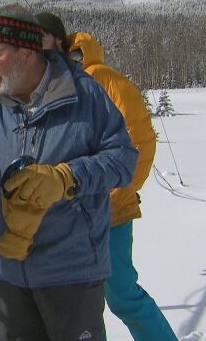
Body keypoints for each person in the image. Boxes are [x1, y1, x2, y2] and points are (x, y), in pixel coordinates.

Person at [0, 4, 139, 341]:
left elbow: (123, 160)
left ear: (26, 53)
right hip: (6, 271)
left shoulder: (85, 93)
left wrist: (67, 178)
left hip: (71, 271)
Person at [65, 31, 178, 341]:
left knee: (121, 294)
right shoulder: (70, 84)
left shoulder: (100, 78)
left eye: (72, 55)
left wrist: (119, 188)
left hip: (109, 209)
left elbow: (138, 137)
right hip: (80, 211)